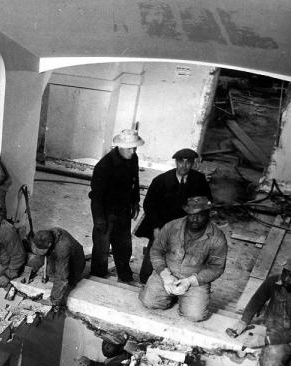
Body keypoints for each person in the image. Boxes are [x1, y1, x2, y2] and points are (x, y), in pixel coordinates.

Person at [139, 195, 227, 321]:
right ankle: (170, 296)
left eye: (200, 214)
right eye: (191, 214)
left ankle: (183, 299)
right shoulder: (172, 226)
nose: (194, 218)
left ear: (208, 214)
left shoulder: (217, 237)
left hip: (194, 279)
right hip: (168, 272)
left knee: (195, 315)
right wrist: (165, 275)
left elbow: (216, 268)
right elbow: (156, 251)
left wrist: (189, 281)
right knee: (149, 302)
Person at [135, 148, 212, 284]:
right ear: (176, 162)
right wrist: (156, 226)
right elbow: (149, 205)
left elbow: (207, 202)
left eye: (188, 163)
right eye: (181, 162)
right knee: (155, 252)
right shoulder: (161, 180)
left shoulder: (199, 180)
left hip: (186, 227)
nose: (184, 166)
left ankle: (175, 283)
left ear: (193, 163)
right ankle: (145, 280)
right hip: (163, 224)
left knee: (181, 256)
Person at [89, 128, 144, 283]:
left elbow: (135, 181)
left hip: (123, 211)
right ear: (119, 146)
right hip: (105, 212)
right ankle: (97, 277)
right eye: (129, 148)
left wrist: (135, 202)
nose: (133, 151)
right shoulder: (104, 165)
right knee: (102, 248)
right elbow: (96, 196)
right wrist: (99, 220)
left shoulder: (133, 158)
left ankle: (125, 276)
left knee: (124, 246)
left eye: (135, 147)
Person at [27, 228, 85, 314]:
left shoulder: (63, 247)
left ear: (50, 245)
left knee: (66, 280)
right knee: (49, 271)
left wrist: (54, 300)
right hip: (60, 253)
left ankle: (56, 299)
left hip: (76, 262)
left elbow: (61, 277)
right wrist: (33, 268)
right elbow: (40, 254)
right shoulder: (47, 234)